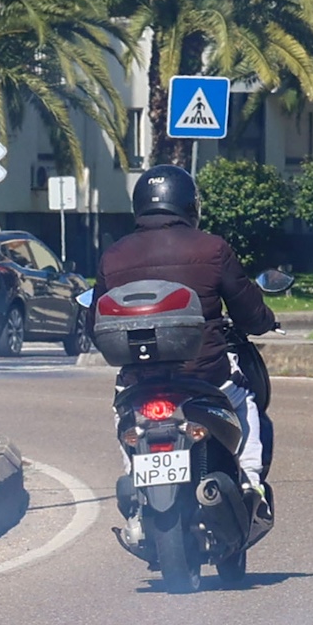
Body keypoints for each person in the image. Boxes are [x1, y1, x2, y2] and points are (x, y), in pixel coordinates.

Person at [96, 164, 281, 501]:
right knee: (245, 400)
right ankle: (251, 482)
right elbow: (249, 311)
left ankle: (135, 481)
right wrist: (266, 321)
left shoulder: (113, 255)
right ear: (190, 205)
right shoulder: (211, 249)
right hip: (206, 375)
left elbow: (95, 320)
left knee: (123, 412)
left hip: (139, 380)